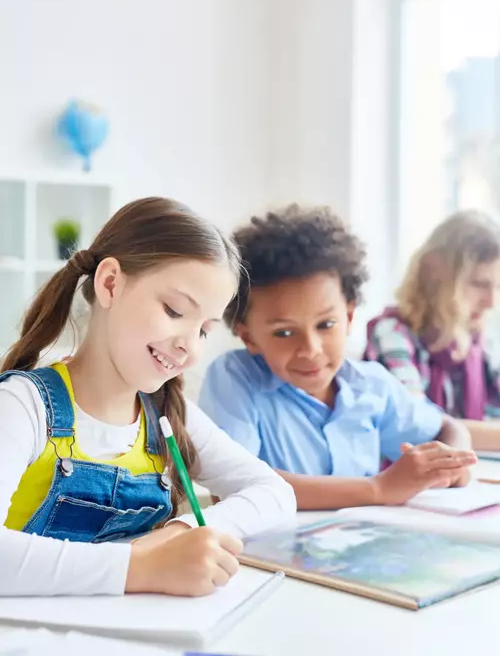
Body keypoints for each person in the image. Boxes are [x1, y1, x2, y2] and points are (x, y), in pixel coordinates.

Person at [0, 197, 295, 597]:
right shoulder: (22, 406)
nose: (189, 348)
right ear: (110, 284)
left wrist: (180, 533)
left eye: (204, 330)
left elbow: (275, 494)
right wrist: (139, 568)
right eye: (174, 311)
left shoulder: (171, 416)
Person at [199, 205, 476, 511]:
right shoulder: (234, 379)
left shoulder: (371, 385)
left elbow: (449, 428)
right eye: (284, 333)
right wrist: (378, 488)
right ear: (248, 336)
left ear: (348, 315)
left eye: (326, 325)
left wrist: (453, 461)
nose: (311, 349)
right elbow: (234, 485)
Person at [365, 210, 500, 451]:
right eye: (479, 284)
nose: (491, 301)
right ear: (434, 271)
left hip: (465, 478)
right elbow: (421, 427)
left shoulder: (477, 341)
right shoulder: (392, 335)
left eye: (498, 286)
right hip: (404, 480)